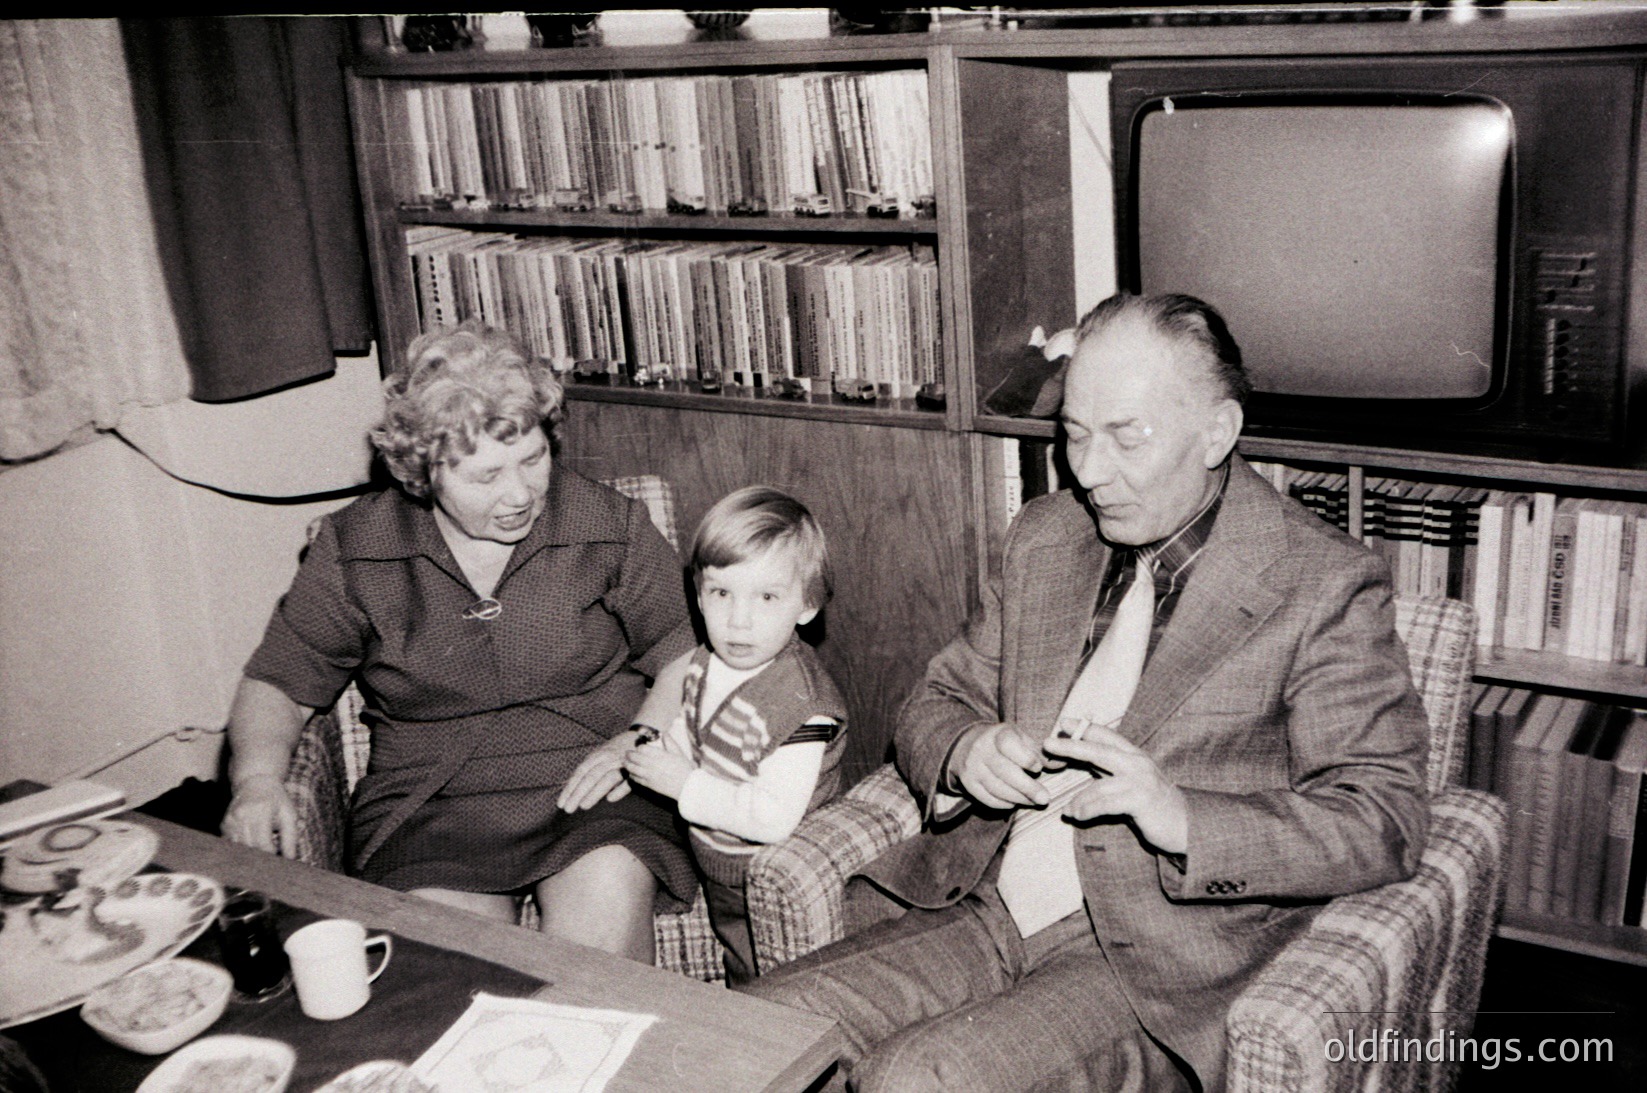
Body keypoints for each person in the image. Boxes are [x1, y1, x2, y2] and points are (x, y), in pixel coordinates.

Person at [745, 293, 1431, 1091]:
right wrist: (967, 750)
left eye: (1125, 437)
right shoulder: (1045, 537)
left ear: (1218, 431)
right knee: (747, 1034)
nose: (1090, 472)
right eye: (1073, 434)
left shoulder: (1321, 583)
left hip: (1151, 961)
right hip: (984, 905)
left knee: (914, 1080)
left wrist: (1183, 817)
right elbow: (933, 703)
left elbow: (1384, 815)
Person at [220, 320, 697, 963]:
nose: (521, 493)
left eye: (533, 459)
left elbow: (683, 652)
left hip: (592, 780)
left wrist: (637, 740)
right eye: (485, 477)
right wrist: (255, 778)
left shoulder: (608, 525)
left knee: (600, 963)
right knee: (463, 972)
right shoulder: (356, 548)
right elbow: (280, 680)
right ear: (424, 473)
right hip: (430, 800)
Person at [624, 486, 848, 985]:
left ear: (807, 606)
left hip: (775, 878)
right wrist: (664, 750)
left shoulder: (800, 708)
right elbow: (698, 726)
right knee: (734, 960)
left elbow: (770, 820)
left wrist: (681, 784)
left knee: (771, 981)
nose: (738, 621)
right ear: (699, 593)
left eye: (767, 597)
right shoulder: (708, 658)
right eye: (721, 593)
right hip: (720, 859)